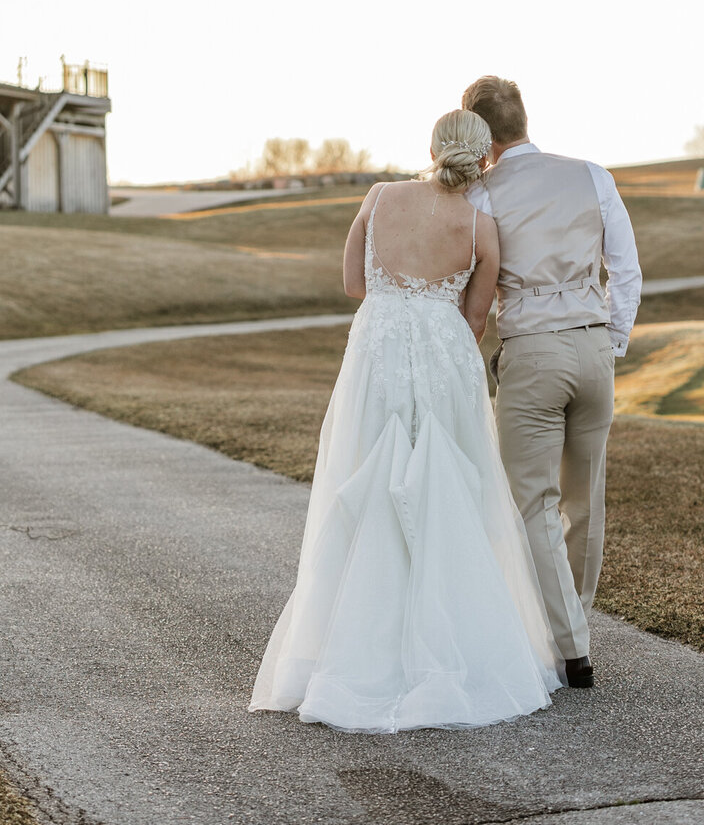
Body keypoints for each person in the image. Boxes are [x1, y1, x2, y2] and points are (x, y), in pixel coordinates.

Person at [250, 109, 561, 733]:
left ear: (431, 146)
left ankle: (355, 647)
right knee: (448, 485)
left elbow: (352, 283)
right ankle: (452, 644)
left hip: (379, 347)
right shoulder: (481, 225)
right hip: (446, 353)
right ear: (484, 158)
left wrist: (399, 305)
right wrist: (434, 319)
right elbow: (477, 316)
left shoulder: (381, 196)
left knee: (366, 477)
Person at [462, 76, 642, 691]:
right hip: (594, 347)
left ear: (480, 136)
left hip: (533, 354)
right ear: (524, 118)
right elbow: (626, 266)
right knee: (585, 497)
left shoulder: (481, 195)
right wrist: (611, 341)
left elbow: (474, 284)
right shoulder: (592, 175)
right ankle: (576, 635)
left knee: (533, 501)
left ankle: (567, 646)